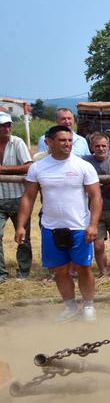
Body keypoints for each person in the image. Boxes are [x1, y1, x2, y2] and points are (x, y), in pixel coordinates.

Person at [15, 125, 102, 321]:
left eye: (70, 140)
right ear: (49, 142)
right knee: (60, 270)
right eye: (62, 140)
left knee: (84, 268)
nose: (67, 144)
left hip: (79, 227)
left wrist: (93, 224)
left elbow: (96, 196)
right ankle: (70, 306)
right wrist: (20, 225)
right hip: (50, 227)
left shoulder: (82, 166)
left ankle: (88, 306)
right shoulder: (38, 168)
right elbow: (28, 197)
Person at [83, 133, 110, 275]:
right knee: (98, 243)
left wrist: (93, 181)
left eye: (103, 146)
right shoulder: (85, 161)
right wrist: (104, 182)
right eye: (97, 146)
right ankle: (103, 271)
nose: (101, 148)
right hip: (94, 209)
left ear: (108, 146)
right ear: (91, 147)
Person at [0, 111, 34, 282]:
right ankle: (1, 273)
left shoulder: (18, 142)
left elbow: (28, 167)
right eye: (2, 125)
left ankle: (24, 271)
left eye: (8, 125)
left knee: (23, 236)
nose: (6, 128)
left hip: (18, 197)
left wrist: (2, 169)